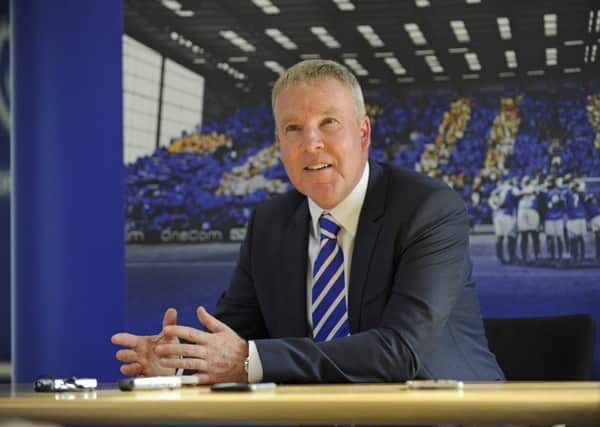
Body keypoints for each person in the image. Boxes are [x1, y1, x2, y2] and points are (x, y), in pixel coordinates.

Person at [112, 59, 504, 384]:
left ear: (363, 133)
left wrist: (249, 359)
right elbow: (233, 340)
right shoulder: (269, 223)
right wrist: (180, 363)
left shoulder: (428, 209)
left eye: (328, 122)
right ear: (279, 143)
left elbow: (400, 351)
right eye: (293, 129)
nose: (310, 143)